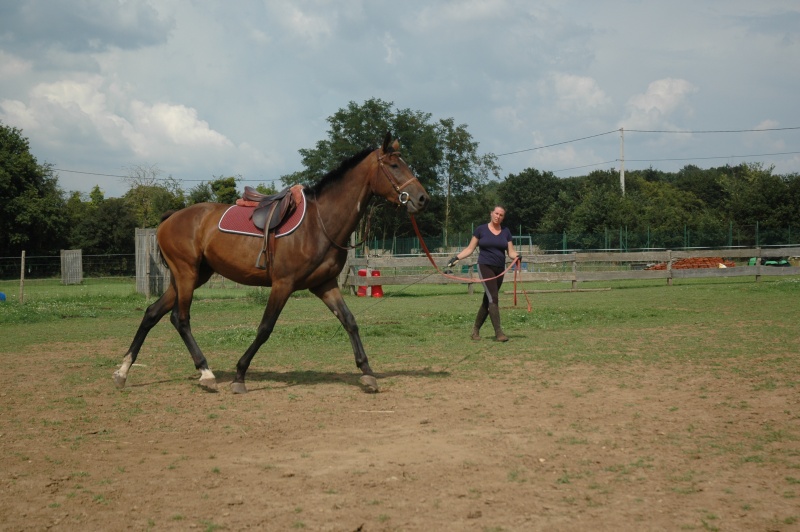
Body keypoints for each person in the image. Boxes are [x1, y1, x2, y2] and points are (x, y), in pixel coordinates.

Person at [447, 205, 521, 342]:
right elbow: (470, 248)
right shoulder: (481, 230)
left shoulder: (506, 232)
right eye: (496, 213)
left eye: (501, 215)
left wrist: (517, 256)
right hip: (485, 266)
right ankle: (499, 333)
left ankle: (475, 330)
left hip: (499, 269)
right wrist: (456, 258)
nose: (498, 216)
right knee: (493, 298)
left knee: (487, 300)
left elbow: (511, 252)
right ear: (491, 213)